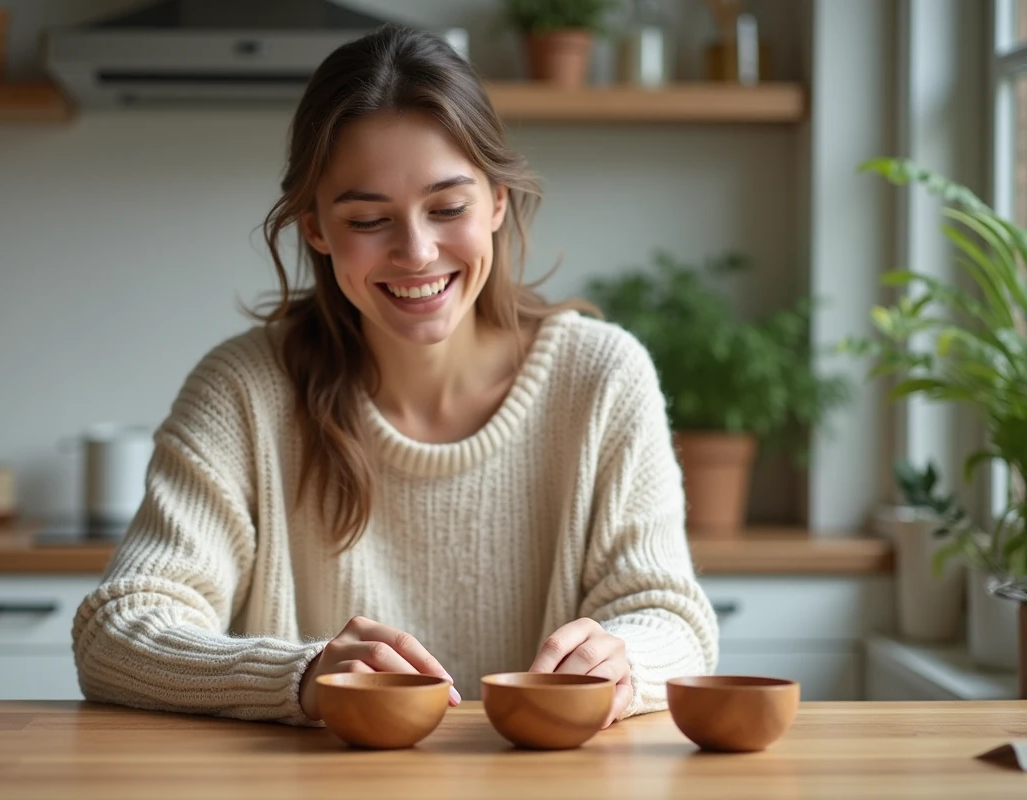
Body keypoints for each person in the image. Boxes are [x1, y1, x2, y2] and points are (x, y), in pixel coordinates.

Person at [72, 24, 718, 728]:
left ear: (498, 202)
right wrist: (301, 676)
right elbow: (118, 630)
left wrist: (623, 661)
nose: (416, 252)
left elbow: (672, 621)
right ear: (315, 227)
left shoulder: (601, 378)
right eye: (369, 218)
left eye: (448, 208)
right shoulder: (243, 389)